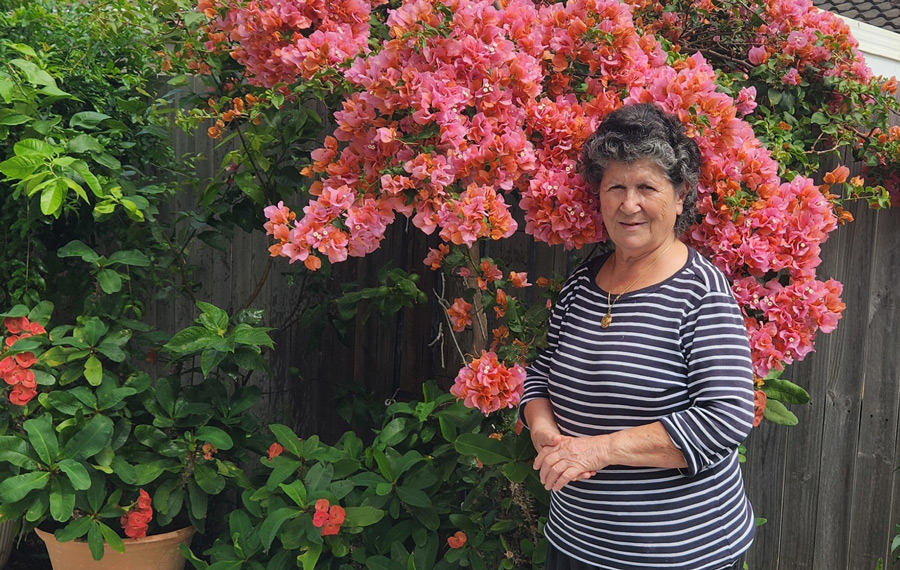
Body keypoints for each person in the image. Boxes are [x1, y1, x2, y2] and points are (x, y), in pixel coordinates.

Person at [519, 102, 755, 570]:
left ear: (681, 194)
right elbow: (540, 375)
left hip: (674, 552)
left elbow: (726, 418)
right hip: (576, 542)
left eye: (646, 186)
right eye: (616, 187)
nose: (629, 204)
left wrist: (600, 449)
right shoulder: (581, 283)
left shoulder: (701, 294)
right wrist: (545, 433)